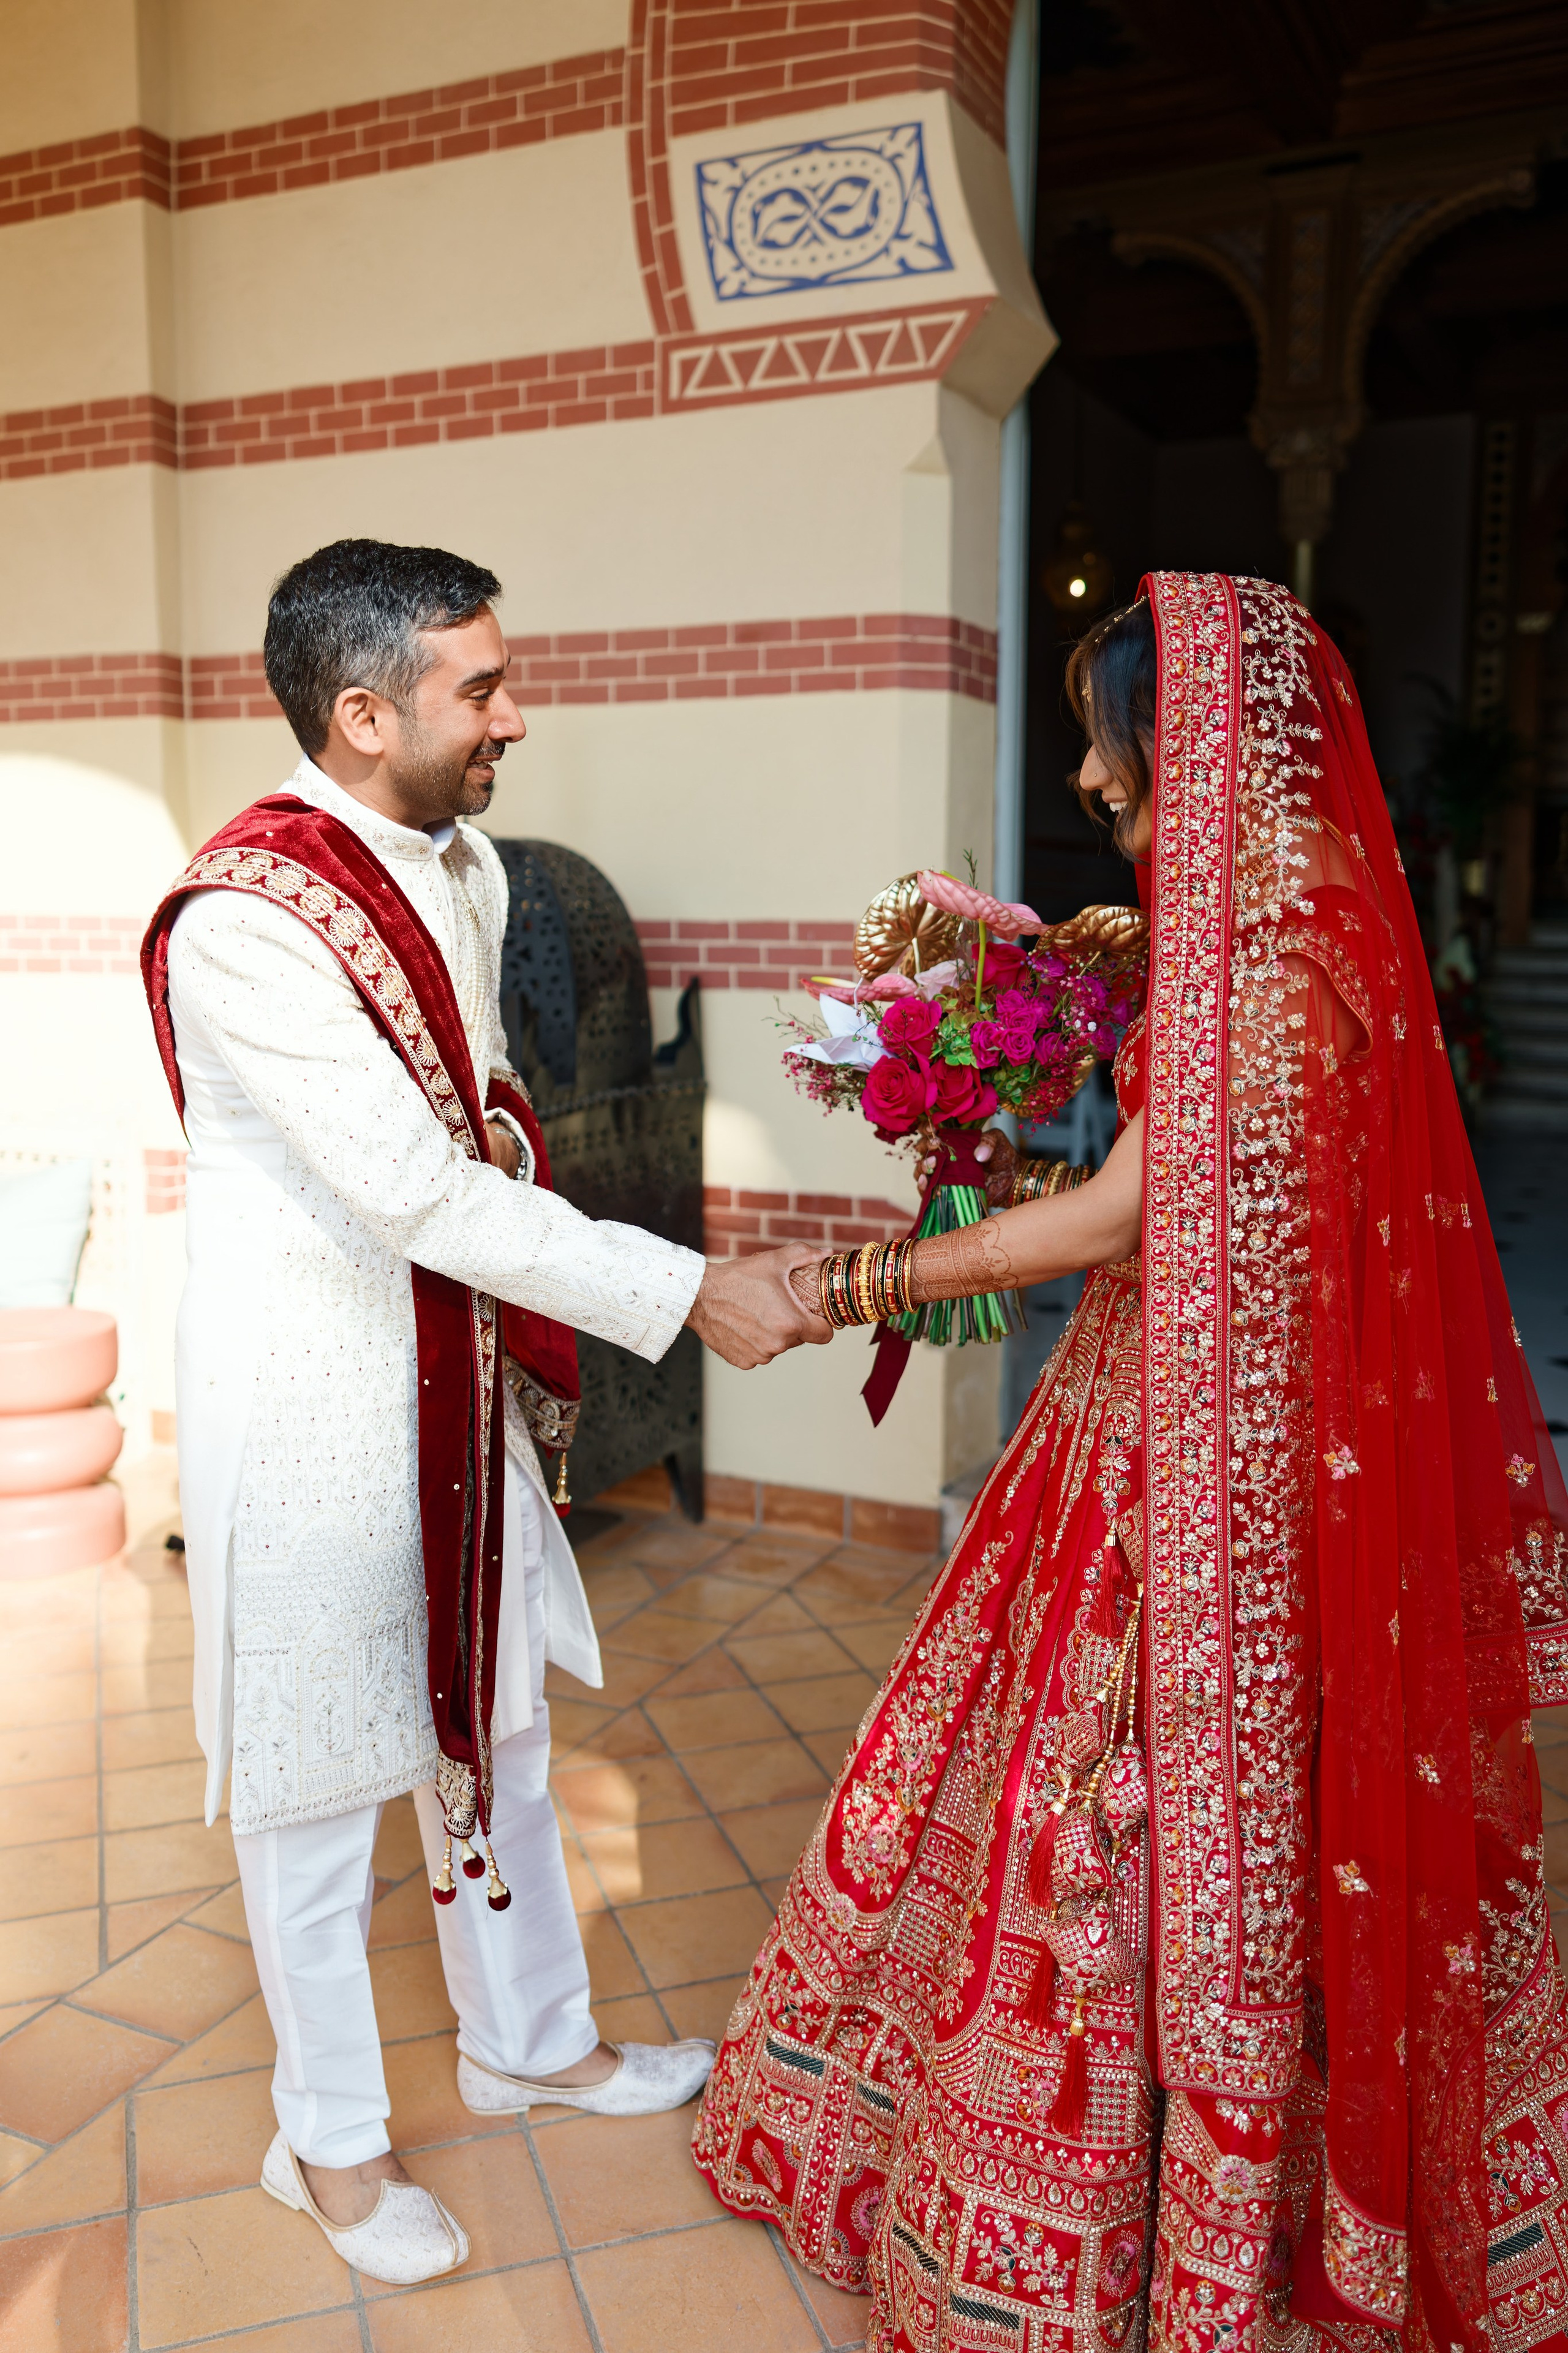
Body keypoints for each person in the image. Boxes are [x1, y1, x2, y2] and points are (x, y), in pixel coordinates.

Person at [692, 573, 1568, 2350]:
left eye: (1114, 746)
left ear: (1208, 737)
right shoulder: (1276, 910)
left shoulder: (1281, 940)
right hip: (1161, 1404)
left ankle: (1161, 2236)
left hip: (1216, 1473)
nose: (1098, 785)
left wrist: (850, 1279)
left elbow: (1125, 1208)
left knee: (1141, 1817)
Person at [140, 539, 827, 2286]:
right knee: (312, 1791)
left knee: (499, 1718)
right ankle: (334, 2145)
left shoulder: (469, 869)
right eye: (480, 688)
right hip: (307, 1405)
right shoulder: (244, 922)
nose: (516, 713)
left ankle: (535, 2041)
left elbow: (486, 1110)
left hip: (452, 1370)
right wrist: (684, 1286)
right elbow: (416, 1189)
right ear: (364, 713)